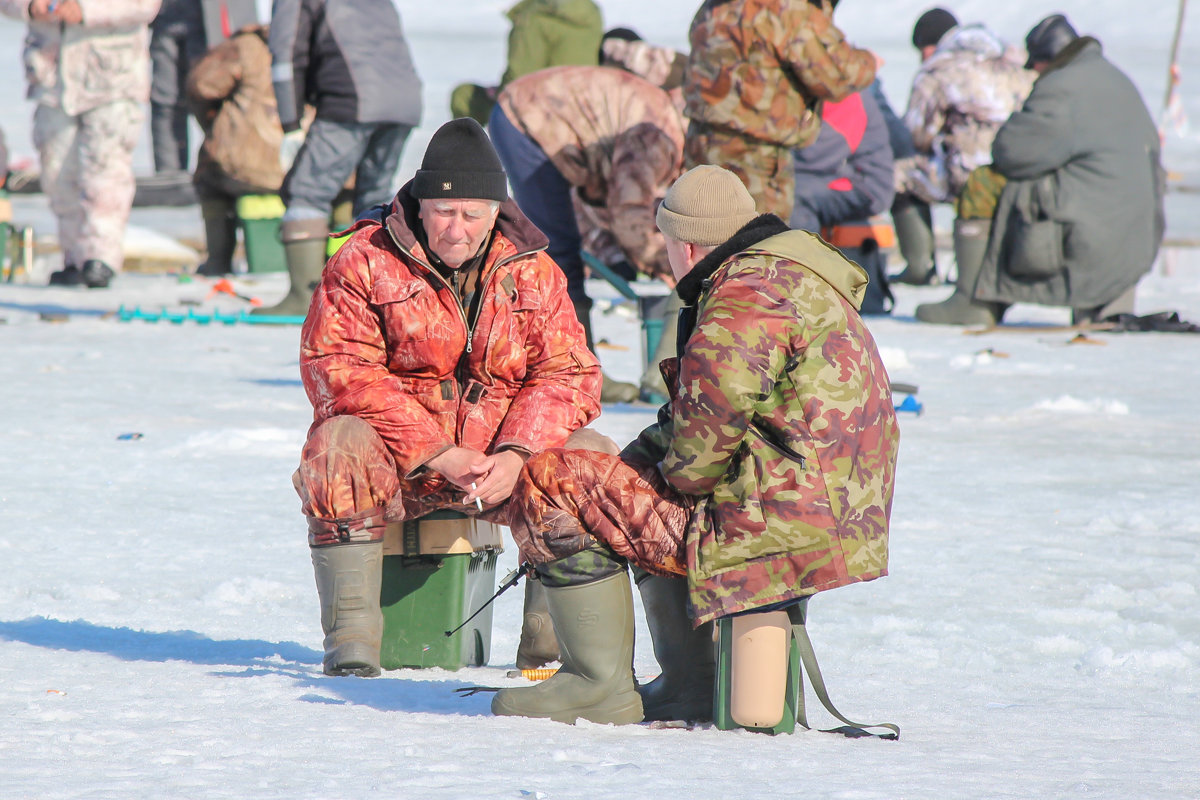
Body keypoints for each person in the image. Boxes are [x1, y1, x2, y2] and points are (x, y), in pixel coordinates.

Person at [490, 165, 899, 725]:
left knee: (552, 482)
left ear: (684, 243)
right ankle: (690, 682)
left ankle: (597, 685)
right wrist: (638, 462)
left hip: (771, 522)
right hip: (829, 515)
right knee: (629, 479)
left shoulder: (742, 297)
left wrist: (641, 475)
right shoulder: (795, 278)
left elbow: (696, 456)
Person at [292, 118, 605, 678]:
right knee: (336, 446)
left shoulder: (535, 271)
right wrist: (437, 452)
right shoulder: (362, 260)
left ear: (495, 212)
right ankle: (353, 648)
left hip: (500, 468)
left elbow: (568, 374)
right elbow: (337, 368)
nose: (456, 230)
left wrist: (516, 455)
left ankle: (547, 659)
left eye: (471, 214)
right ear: (419, 204)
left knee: (591, 455)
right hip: (403, 468)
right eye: (444, 212)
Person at [915, 14, 1166, 326]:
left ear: (1047, 60)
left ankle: (974, 300)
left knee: (983, 181)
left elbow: (1012, 153)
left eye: (1034, 64)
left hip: (1093, 229)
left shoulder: (1062, 86)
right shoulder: (1114, 76)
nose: (1032, 71)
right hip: (1135, 234)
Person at [490, 65, 686, 403]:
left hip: (547, 118)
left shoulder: (663, 128)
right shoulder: (656, 139)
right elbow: (628, 214)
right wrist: (668, 261)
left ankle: (581, 367)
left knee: (566, 243)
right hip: (528, 119)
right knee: (555, 249)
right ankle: (575, 372)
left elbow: (601, 206)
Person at [260, 0, 422, 317]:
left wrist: (290, 124)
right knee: (375, 197)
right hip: (404, 102)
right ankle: (379, 297)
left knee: (307, 191)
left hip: (353, 98)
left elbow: (286, 55)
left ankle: (303, 297)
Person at [0, 0, 161, 289]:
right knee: (58, 173)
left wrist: (86, 9)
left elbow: (145, 5)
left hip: (111, 77)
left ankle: (101, 258)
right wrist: (31, 5)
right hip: (52, 79)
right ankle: (74, 257)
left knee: (106, 173)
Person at [682, 0, 876, 222]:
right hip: (755, 156)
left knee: (706, 238)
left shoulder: (717, 5)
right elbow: (836, 75)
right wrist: (869, 61)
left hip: (703, 144)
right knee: (758, 244)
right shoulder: (788, 8)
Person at [890, 8, 1034, 286]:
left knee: (898, 175)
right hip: (1018, 169)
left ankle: (920, 267)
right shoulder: (1011, 58)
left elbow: (916, 134)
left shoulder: (940, 68)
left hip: (969, 174)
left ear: (931, 44)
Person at [186, 23, 283, 276]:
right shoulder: (309, 41)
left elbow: (199, 84)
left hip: (244, 164)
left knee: (209, 177)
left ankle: (218, 260)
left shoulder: (245, 46)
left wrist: (211, 121)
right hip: (296, 162)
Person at [449, 0, 603, 125]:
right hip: (585, 112)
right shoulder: (591, 15)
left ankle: (466, 152)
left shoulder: (533, 18)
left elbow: (519, 80)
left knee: (463, 95)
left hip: (542, 115)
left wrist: (499, 93)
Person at [148, 0, 257, 176]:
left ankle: (221, 171)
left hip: (215, 17)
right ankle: (169, 178)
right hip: (166, 16)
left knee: (216, 96)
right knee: (165, 99)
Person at [790, 88, 894, 235]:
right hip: (829, 175)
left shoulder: (844, 95)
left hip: (864, 185)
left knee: (794, 196)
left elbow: (817, 156)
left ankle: (801, 256)